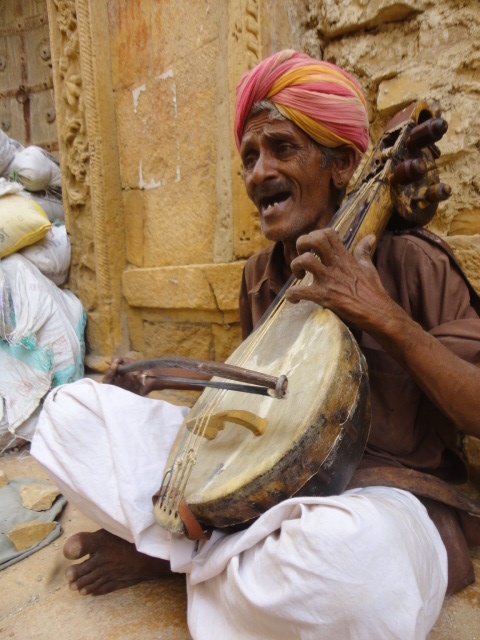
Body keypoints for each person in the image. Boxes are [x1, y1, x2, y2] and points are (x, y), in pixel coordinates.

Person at [31, 50, 480, 639]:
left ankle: (171, 559)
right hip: (265, 487)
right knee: (68, 416)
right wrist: (169, 378)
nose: (257, 173)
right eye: (249, 156)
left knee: (347, 568)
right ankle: (223, 562)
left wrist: (384, 316)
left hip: (382, 503)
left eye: (281, 150)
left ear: (343, 164)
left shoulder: (415, 263)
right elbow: (266, 409)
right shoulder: (261, 275)